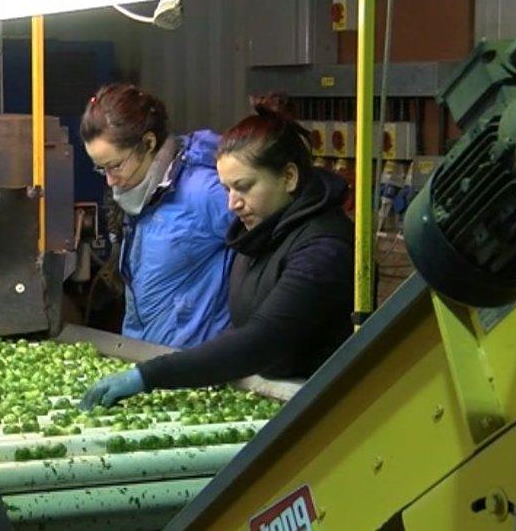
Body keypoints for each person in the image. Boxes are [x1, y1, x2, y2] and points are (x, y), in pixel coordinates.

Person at [81, 100, 355, 409]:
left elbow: (261, 340)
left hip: (324, 408)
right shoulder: (258, 234)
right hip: (272, 392)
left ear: (289, 177)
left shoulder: (323, 250)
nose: (232, 205)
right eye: (227, 190)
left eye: (244, 187)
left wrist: (149, 376)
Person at [80, 83, 234, 349]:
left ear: (148, 143)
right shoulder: (143, 196)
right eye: (100, 168)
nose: (109, 179)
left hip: (194, 366)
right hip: (147, 359)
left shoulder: (205, 193)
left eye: (115, 165)